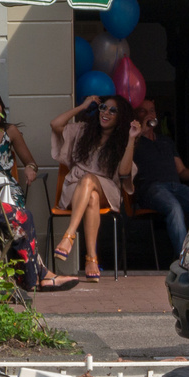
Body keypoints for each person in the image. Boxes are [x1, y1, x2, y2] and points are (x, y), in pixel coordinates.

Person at [0, 88, 78, 291]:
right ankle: (38, 273)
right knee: (15, 222)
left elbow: (30, 162)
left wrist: (30, 169)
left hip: (7, 186)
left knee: (13, 216)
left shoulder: (9, 131)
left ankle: (16, 275)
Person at [50, 95, 141, 281]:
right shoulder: (83, 130)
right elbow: (55, 124)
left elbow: (124, 173)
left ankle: (69, 235)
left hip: (106, 190)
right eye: (103, 108)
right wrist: (82, 106)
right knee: (90, 193)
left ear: (120, 117)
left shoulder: (122, 140)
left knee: (90, 180)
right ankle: (91, 258)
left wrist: (131, 139)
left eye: (113, 110)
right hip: (75, 188)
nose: (106, 112)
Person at [132, 99, 189, 259]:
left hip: (175, 187)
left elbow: (182, 170)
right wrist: (138, 133)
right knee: (174, 208)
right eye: (143, 111)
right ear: (136, 116)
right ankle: (184, 260)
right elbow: (123, 165)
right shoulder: (133, 140)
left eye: (152, 110)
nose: (149, 114)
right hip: (151, 188)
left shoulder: (166, 141)